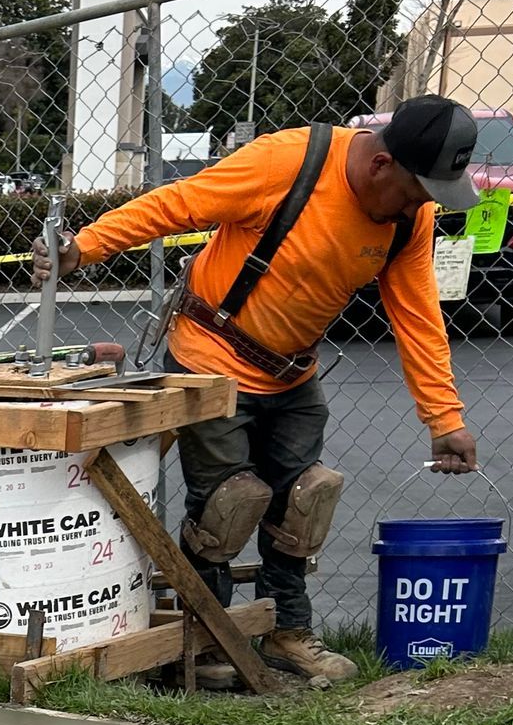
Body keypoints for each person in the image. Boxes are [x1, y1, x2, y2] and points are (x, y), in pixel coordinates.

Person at [34, 96, 481, 686]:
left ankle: (286, 632)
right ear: (381, 165)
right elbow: (175, 204)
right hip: (212, 355)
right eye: (416, 189)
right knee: (230, 505)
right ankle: (205, 641)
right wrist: (84, 248)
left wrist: (443, 418)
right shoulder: (286, 163)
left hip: (292, 373)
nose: (422, 204)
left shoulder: (407, 217)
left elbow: (417, 315)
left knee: (305, 500)